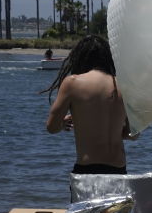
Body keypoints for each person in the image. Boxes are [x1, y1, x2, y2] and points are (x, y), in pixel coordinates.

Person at [41, 35, 135, 175]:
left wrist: (63, 123)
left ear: (79, 58)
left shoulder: (72, 83)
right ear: (108, 58)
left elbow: (51, 127)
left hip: (88, 170)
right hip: (119, 169)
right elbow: (133, 134)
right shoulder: (124, 85)